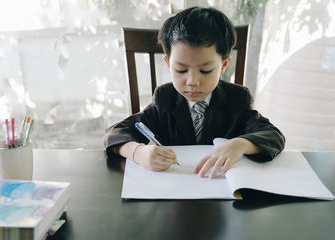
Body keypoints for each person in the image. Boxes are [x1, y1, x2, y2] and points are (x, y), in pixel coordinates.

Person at [104, 6, 285, 178]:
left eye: (205, 71)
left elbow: (273, 136)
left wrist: (240, 144)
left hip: (221, 191)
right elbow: (115, 133)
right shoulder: (165, 99)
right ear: (168, 64)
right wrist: (138, 152)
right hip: (174, 188)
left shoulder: (236, 99)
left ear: (223, 65)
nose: (192, 82)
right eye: (181, 70)